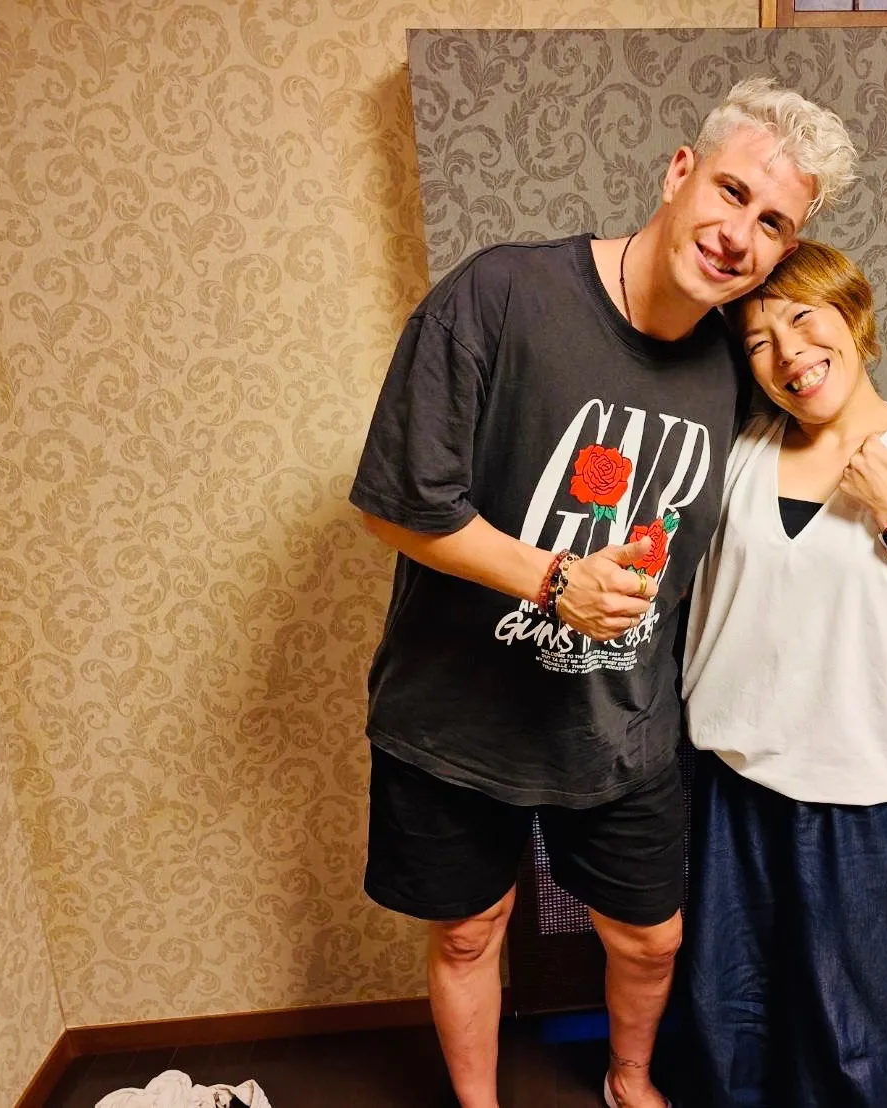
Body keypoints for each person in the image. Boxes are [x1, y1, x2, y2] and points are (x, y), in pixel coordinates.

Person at [349, 80, 858, 1108]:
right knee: (470, 930)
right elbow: (396, 506)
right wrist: (552, 580)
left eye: (772, 223)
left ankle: (629, 1079)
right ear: (679, 172)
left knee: (650, 936)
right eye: (731, 192)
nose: (738, 235)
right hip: (457, 711)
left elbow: (832, 404)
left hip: (621, 721)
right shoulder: (501, 293)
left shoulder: (737, 360)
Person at [682, 239, 887, 1108]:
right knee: (734, 1011)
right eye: (758, 341)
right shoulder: (743, 448)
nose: (787, 352)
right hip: (731, 773)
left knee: (866, 1027)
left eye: (802, 318)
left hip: (853, 781)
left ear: (851, 315)